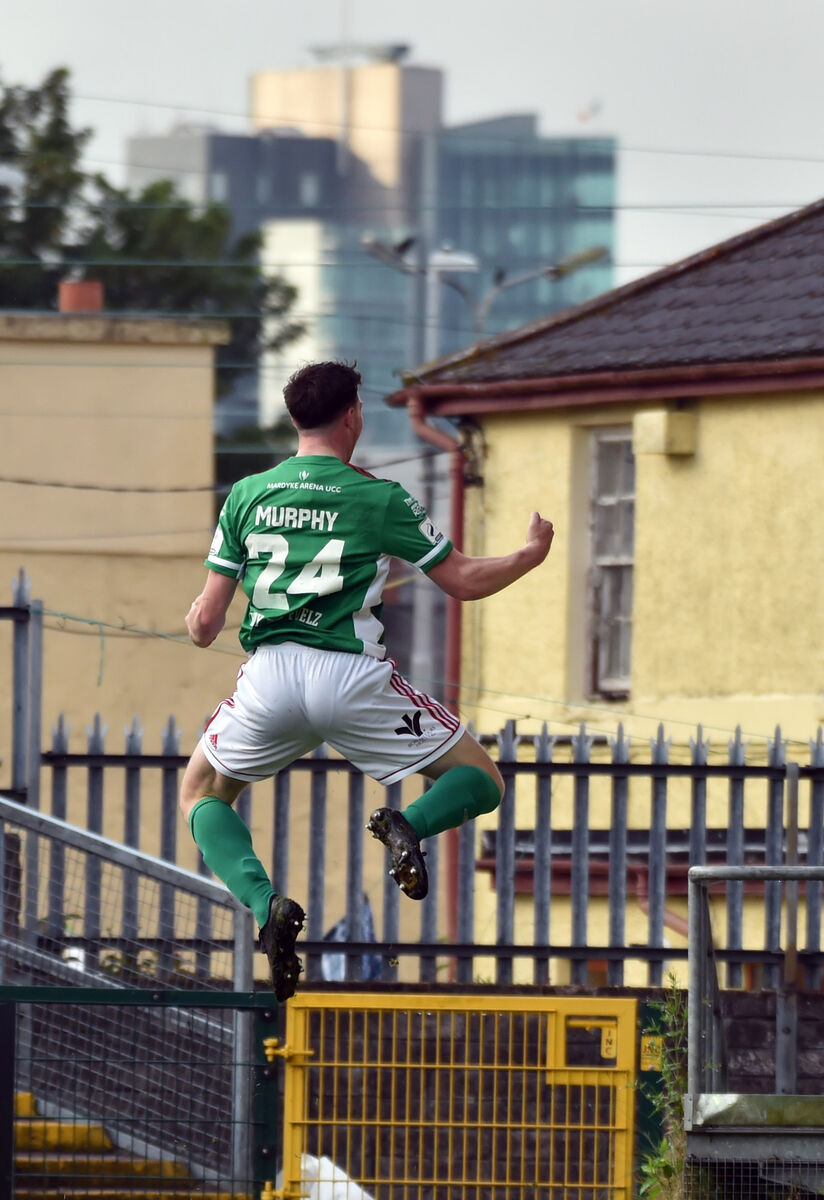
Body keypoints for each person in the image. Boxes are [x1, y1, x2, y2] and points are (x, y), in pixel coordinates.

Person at [179, 361, 554, 1002]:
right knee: (481, 780)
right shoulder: (380, 496)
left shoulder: (246, 494)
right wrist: (528, 554)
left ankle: (266, 905)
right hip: (351, 676)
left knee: (200, 793)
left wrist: (195, 616)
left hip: (269, 678)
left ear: (297, 418)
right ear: (353, 414)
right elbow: (462, 580)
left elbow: (206, 625)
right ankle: (406, 823)